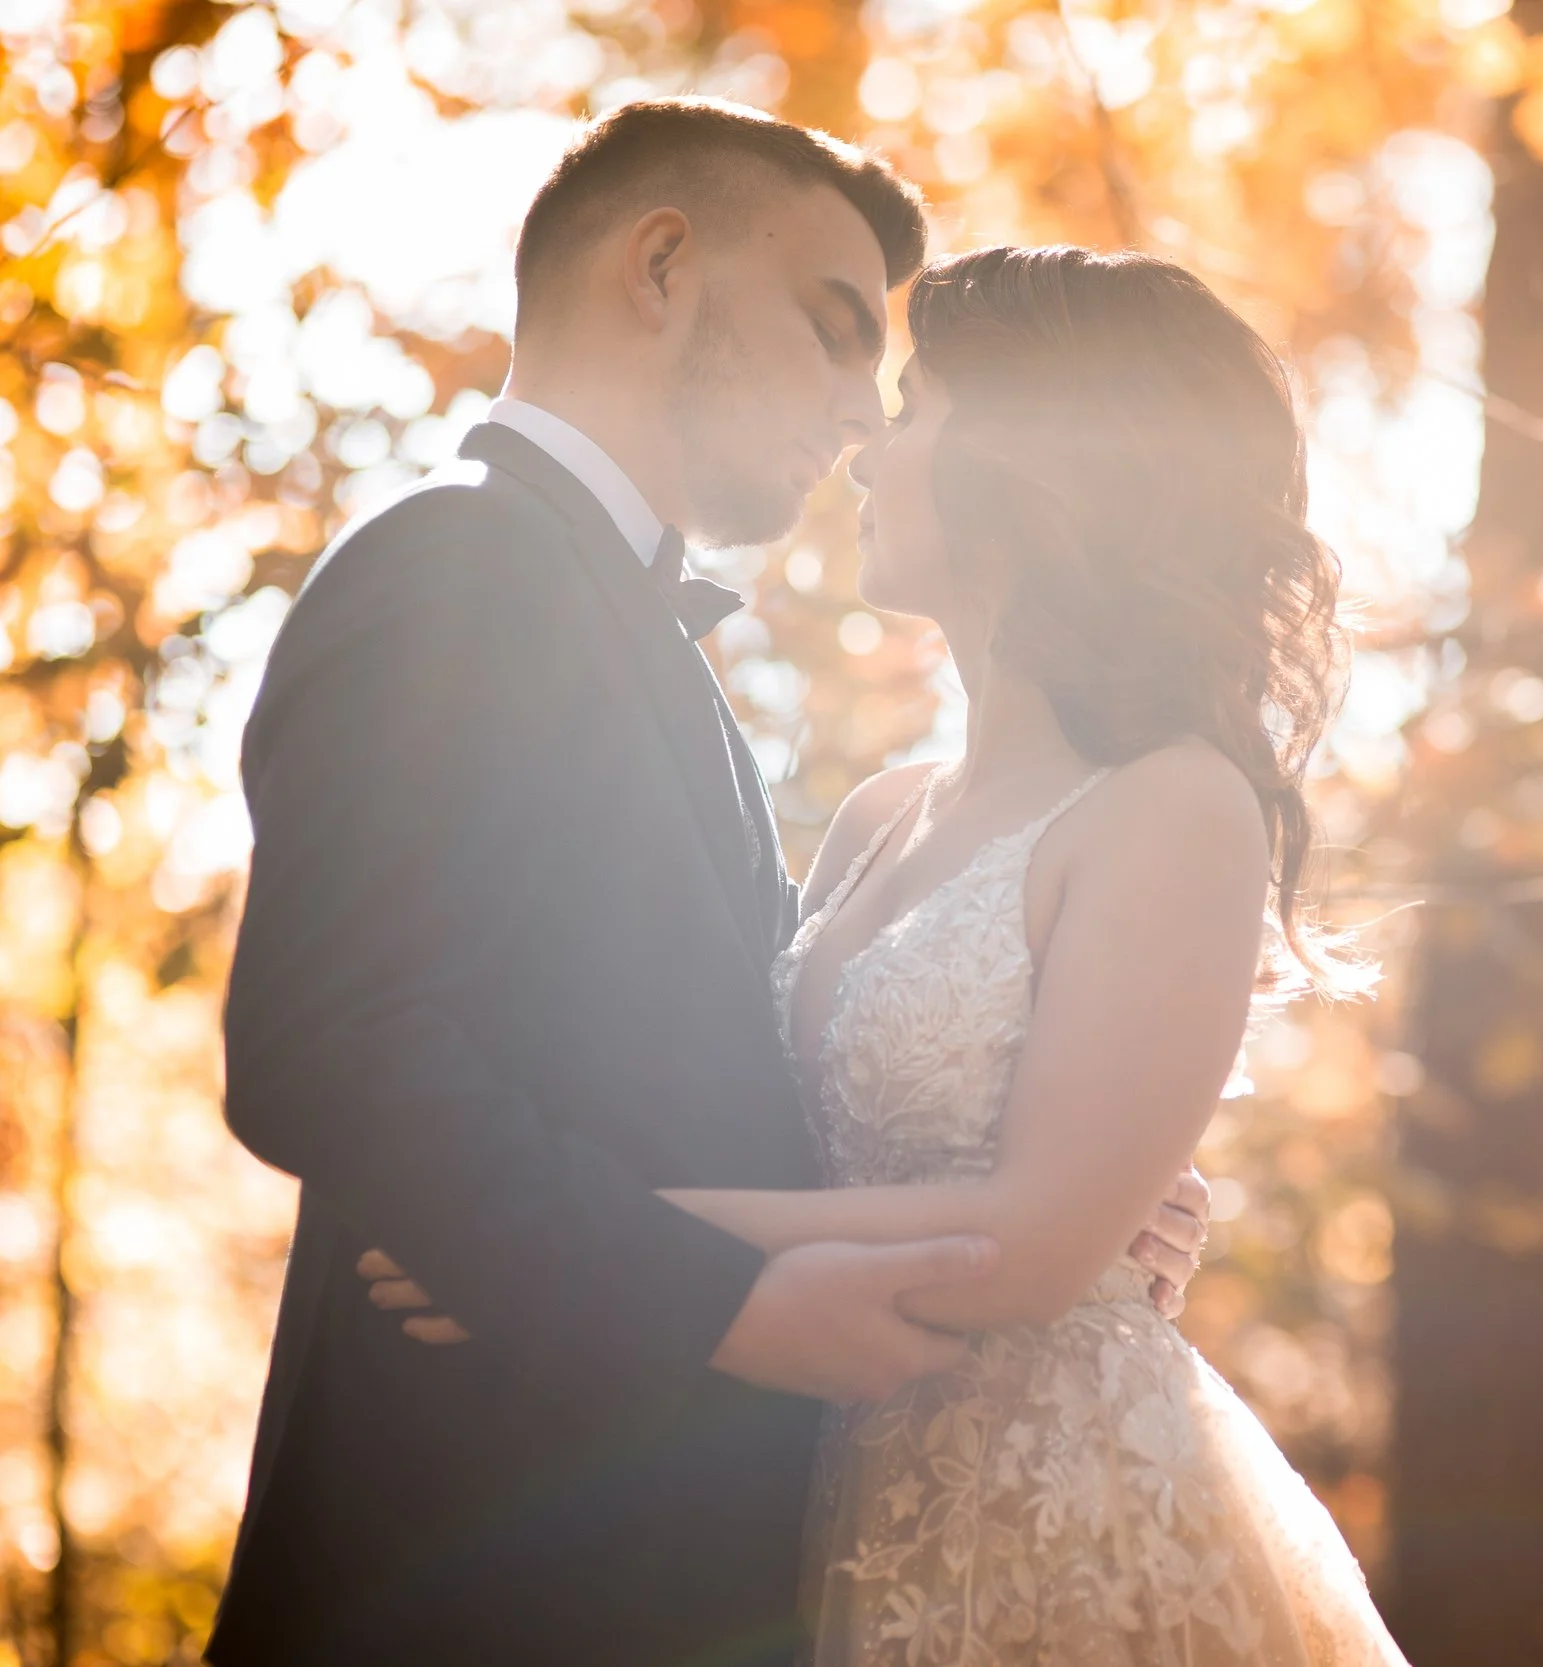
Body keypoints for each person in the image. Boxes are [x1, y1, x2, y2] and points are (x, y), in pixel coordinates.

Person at [211, 100, 1207, 1667]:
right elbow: (325, 1049)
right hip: (463, 1565)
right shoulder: (447, 569)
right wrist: (715, 1300)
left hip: (679, 1571)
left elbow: (710, 1078)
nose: (860, 414)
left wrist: (1058, 1175)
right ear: (662, 264)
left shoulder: (650, 647)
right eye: (830, 331)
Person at [369, 242, 1413, 1664]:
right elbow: (816, 1138)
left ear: (1042, 465)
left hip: (1054, 1531)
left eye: (917, 404)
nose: (867, 440)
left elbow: (1029, 1248)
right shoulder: (873, 815)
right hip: (814, 1489)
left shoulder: (1177, 802)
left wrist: (572, 1248)